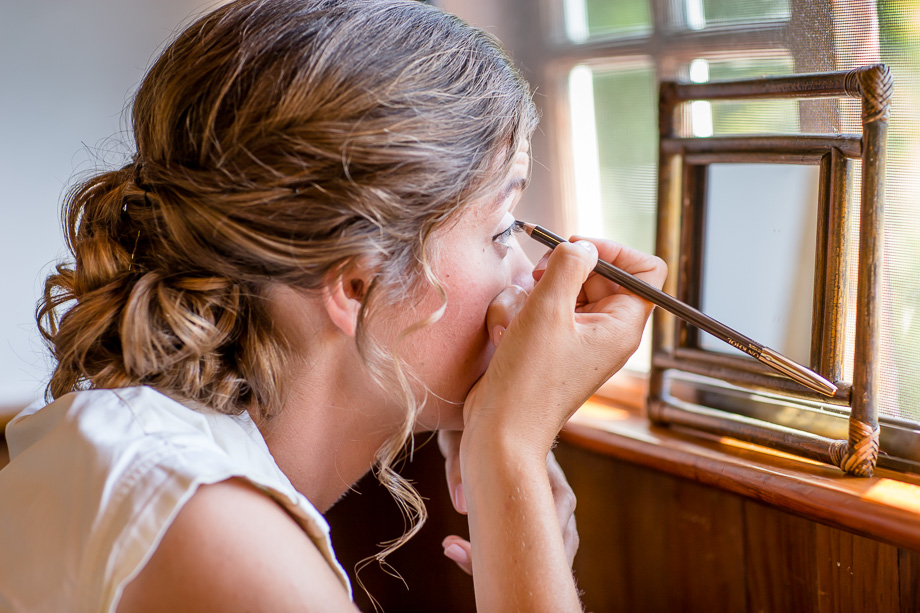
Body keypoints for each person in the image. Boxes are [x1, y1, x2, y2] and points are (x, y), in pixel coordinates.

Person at [0, 0, 667, 611]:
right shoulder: (210, 525)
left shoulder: (159, 460)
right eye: (501, 230)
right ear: (356, 286)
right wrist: (511, 449)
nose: (525, 273)